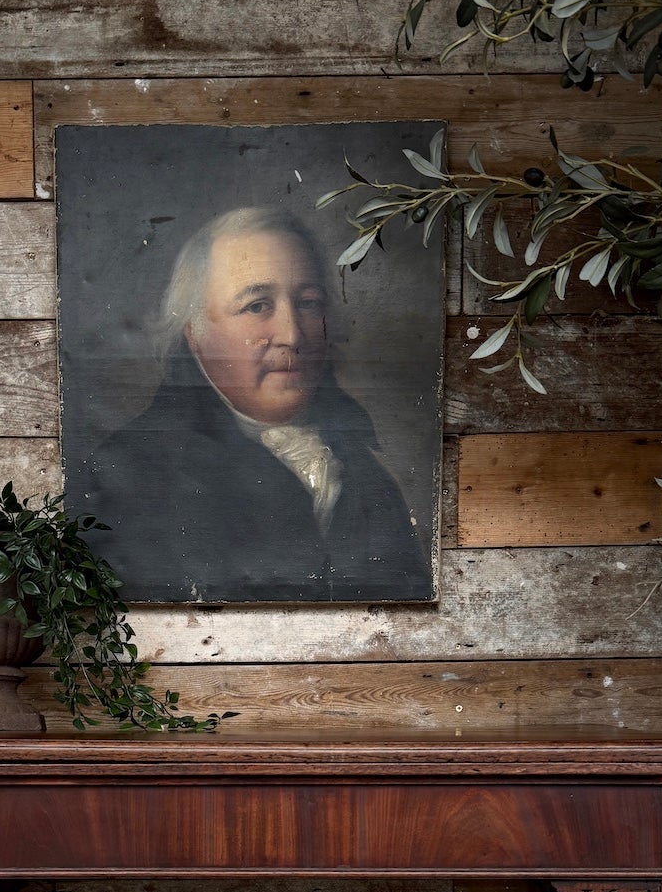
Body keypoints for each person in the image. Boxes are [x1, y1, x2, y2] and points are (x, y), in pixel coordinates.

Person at [70, 207, 434, 603]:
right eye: (257, 305)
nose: (292, 335)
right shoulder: (130, 474)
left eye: (309, 303)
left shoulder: (368, 477)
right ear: (195, 332)